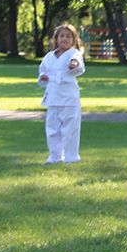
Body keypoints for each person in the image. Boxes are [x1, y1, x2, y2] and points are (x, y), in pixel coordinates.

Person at [38, 23, 86, 164]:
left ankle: (71, 157)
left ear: (73, 40)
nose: (64, 39)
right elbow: (42, 70)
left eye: (68, 36)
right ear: (56, 39)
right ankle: (55, 157)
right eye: (62, 36)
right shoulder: (49, 57)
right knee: (52, 129)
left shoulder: (74, 54)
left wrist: (74, 64)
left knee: (70, 129)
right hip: (53, 97)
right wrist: (43, 77)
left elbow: (78, 65)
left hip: (68, 98)